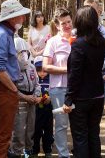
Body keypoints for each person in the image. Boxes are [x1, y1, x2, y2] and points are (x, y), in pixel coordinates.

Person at [63, 6, 105, 158]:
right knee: (94, 134)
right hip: (98, 95)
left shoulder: (79, 44)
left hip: (81, 98)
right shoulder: (102, 41)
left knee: (80, 138)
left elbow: (75, 75)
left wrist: (68, 99)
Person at [0, 0, 30, 158]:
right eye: (20, 15)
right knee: (3, 134)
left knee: (4, 133)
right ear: (12, 17)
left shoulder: (3, 33)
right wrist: (13, 89)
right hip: (3, 87)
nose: (23, 19)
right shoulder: (2, 35)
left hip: (5, 87)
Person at [43, 8, 72, 158]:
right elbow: (45, 66)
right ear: (57, 25)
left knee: (79, 123)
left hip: (79, 89)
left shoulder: (79, 39)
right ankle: (63, 154)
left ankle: (80, 151)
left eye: (69, 22)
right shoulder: (52, 42)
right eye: (63, 23)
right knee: (61, 124)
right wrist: (67, 69)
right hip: (59, 88)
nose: (67, 25)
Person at [8, 33, 41, 158]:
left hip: (32, 101)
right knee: (19, 130)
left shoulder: (32, 67)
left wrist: (36, 95)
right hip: (19, 102)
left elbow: (37, 83)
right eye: (19, 53)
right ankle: (17, 152)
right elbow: (12, 89)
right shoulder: (11, 71)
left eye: (24, 52)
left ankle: (29, 149)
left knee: (30, 129)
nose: (22, 56)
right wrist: (25, 97)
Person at [83, 0, 105, 98]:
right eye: (88, 9)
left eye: (93, 10)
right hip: (83, 77)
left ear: (99, 12)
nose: (90, 13)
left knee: (98, 112)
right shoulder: (77, 32)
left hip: (101, 77)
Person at [31, 57, 54, 158]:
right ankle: (34, 150)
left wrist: (50, 98)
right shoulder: (34, 80)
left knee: (48, 130)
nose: (42, 73)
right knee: (36, 130)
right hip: (36, 110)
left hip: (48, 109)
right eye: (39, 71)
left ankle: (48, 150)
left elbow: (55, 92)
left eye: (44, 71)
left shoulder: (52, 79)